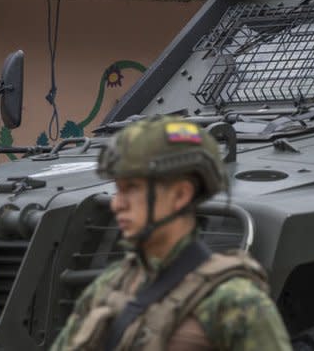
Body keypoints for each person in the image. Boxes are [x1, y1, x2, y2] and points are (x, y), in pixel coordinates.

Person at [51, 116, 292, 351]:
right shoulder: (113, 283)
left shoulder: (233, 302)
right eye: (117, 190)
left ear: (180, 195)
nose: (117, 204)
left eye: (132, 189)